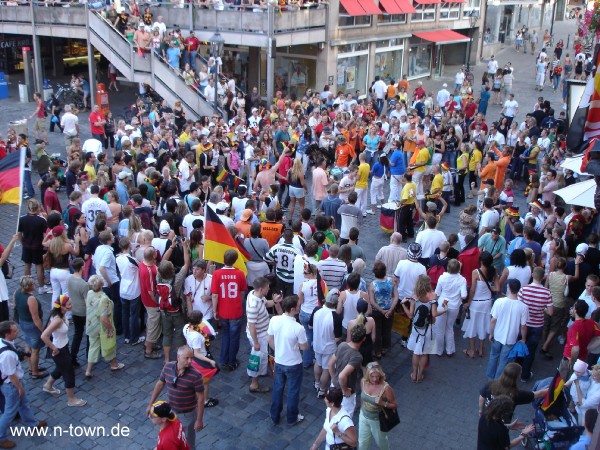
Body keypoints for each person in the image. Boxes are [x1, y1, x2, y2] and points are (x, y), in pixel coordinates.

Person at [0, 321, 48, 449]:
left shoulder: (4, 343)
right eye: (15, 331)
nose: (18, 332)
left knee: (23, 404)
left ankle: (32, 424)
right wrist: (19, 388)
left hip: (11, 383)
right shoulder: (7, 355)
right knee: (9, 412)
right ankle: (1, 437)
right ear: (7, 334)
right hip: (11, 385)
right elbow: (11, 375)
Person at [146, 346, 205, 450]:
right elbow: (160, 384)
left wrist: (199, 420)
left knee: (187, 441)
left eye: (191, 358)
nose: (190, 361)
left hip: (188, 415)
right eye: (187, 358)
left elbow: (200, 399)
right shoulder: (168, 367)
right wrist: (150, 404)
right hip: (172, 411)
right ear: (178, 356)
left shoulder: (196, 375)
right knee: (172, 436)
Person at [268, 295, 308, 426]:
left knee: (278, 389)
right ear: (293, 309)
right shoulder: (298, 328)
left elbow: (270, 340)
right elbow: (304, 347)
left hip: (279, 361)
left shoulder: (274, 320)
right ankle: (292, 418)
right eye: (297, 306)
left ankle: (275, 415)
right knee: (293, 391)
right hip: (294, 363)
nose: (299, 307)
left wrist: (278, 350)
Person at [40, 295, 86, 407]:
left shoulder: (60, 315)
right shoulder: (57, 320)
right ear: (62, 307)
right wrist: (54, 348)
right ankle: (71, 399)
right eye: (69, 304)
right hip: (59, 350)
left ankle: (48, 385)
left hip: (63, 347)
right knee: (69, 373)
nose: (71, 305)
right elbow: (44, 336)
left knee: (61, 368)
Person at [402, 274, 446, 382]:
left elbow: (410, 315)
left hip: (416, 328)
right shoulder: (433, 296)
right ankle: (420, 374)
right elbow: (434, 314)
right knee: (425, 352)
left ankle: (414, 374)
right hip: (429, 328)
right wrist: (445, 310)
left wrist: (403, 304)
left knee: (416, 352)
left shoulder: (414, 297)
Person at [211, 249, 247, 371]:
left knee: (225, 334)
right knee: (234, 336)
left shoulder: (216, 274)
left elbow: (215, 294)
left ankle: (223, 359)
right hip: (235, 310)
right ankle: (232, 361)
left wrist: (214, 310)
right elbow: (242, 293)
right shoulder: (240, 273)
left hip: (222, 310)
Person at [486, 279, 528, 380]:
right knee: (504, 360)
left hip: (498, 334)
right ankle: (497, 381)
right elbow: (523, 326)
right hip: (511, 338)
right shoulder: (523, 307)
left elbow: (493, 320)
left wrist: (491, 333)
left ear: (508, 288)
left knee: (494, 356)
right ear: (519, 289)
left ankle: (490, 378)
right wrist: (523, 338)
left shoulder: (499, 301)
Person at [84, 275, 125, 378]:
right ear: (102, 284)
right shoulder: (104, 299)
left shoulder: (89, 293)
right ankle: (114, 364)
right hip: (102, 328)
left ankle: (88, 370)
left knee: (93, 347)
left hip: (91, 325)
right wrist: (110, 329)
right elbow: (104, 318)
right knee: (109, 344)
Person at [246, 277, 282, 393]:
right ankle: (254, 384)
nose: (269, 289)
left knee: (260, 357)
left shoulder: (255, 294)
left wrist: (275, 301)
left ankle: (259, 374)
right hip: (259, 335)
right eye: (267, 287)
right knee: (257, 359)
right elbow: (252, 326)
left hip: (262, 333)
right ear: (261, 289)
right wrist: (256, 342)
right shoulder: (253, 305)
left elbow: (267, 304)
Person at [462, 252, 499, 359]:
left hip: (476, 302)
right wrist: (489, 288)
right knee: (483, 324)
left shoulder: (476, 272)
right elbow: (497, 288)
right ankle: (481, 349)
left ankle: (472, 350)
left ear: (481, 261)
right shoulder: (494, 271)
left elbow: (473, 290)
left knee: (473, 325)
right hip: (487, 302)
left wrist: (468, 302)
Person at [311, 289, 343, 399]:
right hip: (328, 347)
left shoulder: (316, 309)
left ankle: (316, 383)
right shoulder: (336, 317)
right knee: (326, 369)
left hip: (316, 344)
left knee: (318, 363)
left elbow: (310, 326)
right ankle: (322, 390)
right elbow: (338, 337)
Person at [357, 362, 397, 450]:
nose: (375, 379)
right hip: (363, 416)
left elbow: (394, 405)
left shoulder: (386, 388)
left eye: (377, 376)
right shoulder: (363, 382)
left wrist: (382, 403)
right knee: (362, 443)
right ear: (368, 375)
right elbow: (362, 397)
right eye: (372, 376)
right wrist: (361, 408)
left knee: (382, 443)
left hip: (377, 421)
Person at [13, 275, 47, 380]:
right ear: (28, 286)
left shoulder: (17, 292)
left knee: (28, 344)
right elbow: (35, 318)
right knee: (35, 350)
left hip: (23, 322)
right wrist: (44, 331)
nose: (35, 284)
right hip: (32, 326)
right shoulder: (31, 299)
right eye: (32, 283)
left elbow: (15, 306)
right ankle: (35, 373)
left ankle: (31, 367)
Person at [328, 325, 366, 414]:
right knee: (346, 417)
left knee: (332, 413)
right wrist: (344, 390)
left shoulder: (342, 345)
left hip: (334, 387)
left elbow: (330, 364)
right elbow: (342, 376)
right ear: (364, 338)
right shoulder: (357, 356)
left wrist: (334, 379)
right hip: (345, 392)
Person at [434, 259, 468, 357]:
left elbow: (437, 293)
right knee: (449, 327)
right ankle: (450, 350)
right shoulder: (462, 279)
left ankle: (439, 351)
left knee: (439, 329)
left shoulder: (442, 277)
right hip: (454, 306)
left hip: (442, 304)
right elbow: (464, 295)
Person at [369, 261, 398, 359]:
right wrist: (390, 309)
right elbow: (396, 297)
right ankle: (384, 348)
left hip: (377, 310)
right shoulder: (391, 281)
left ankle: (377, 351)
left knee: (377, 330)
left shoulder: (373, 285)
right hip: (389, 309)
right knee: (387, 329)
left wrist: (381, 310)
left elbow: (372, 301)